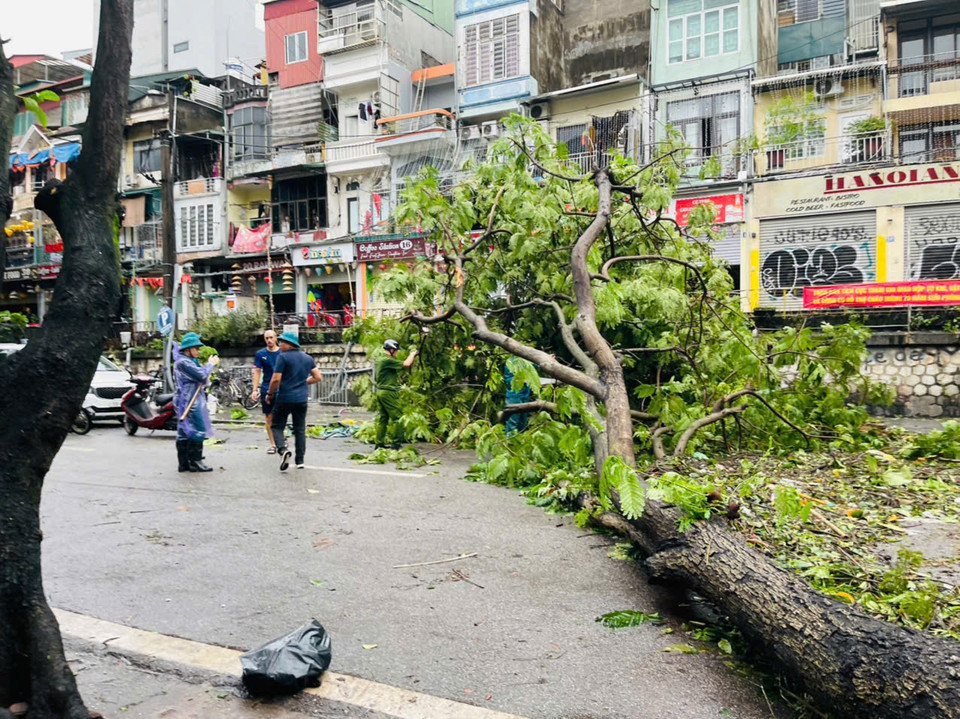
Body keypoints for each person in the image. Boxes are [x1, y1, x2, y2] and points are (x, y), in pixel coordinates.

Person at [265, 331, 323, 471]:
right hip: (301, 399)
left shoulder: (282, 358)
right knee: (300, 429)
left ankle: (282, 450)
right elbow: (318, 377)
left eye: (282, 342)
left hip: (285, 398)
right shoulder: (307, 358)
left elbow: (276, 379)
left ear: (289, 344)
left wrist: (270, 393)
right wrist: (305, 382)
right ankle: (300, 460)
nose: (280, 345)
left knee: (277, 426)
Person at [174, 332, 218, 473]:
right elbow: (202, 375)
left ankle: (185, 462)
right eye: (196, 348)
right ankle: (195, 462)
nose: (199, 351)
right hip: (189, 400)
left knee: (185, 431)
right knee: (198, 429)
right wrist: (210, 364)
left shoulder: (186, 361)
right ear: (188, 349)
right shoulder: (184, 362)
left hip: (186, 398)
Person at [373, 339, 417, 449]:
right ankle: (396, 443)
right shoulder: (387, 360)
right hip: (388, 392)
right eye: (396, 351)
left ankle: (379, 444)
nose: (397, 353)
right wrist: (413, 354)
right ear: (391, 350)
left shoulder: (381, 359)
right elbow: (406, 364)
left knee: (383, 419)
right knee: (398, 418)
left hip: (380, 391)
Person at [251, 329, 281, 454]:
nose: (269, 340)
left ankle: (281, 440)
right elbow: (257, 372)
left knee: (280, 417)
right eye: (266, 338)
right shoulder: (260, 354)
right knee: (269, 417)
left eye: (271, 337)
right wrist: (254, 389)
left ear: (276, 338)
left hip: (281, 389)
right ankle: (273, 444)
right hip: (266, 388)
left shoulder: (283, 353)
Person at [504, 356, 538, 435]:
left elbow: (535, 364)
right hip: (514, 395)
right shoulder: (511, 362)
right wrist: (521, 380)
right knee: (513, 421)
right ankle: (509, 442)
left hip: (525, 395)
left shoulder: (525, 360)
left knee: (522, 421)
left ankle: (520, 442)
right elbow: (508, 379)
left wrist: (547, 358)